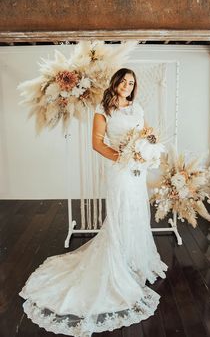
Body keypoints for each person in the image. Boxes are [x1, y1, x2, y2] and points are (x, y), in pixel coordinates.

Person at [19, 68, 168, 337]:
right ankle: (118, 263)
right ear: (116, 83)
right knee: (121, 210)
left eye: (131, 82)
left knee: (137, 210)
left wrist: (147, 146)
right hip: (119, 168)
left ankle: (136, 259)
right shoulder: (103, 109)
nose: (127, 85)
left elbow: (144, 133)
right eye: (123, 81)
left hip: (137, 168)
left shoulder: (137, 107)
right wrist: (123, 157)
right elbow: (97, 144)